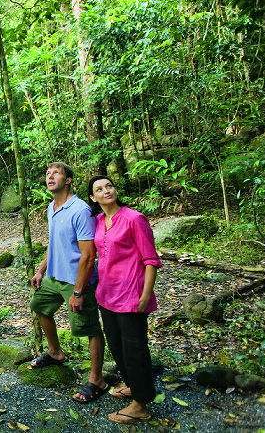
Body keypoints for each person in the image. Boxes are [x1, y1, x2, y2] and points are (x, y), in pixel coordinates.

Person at [29, 162, 108, 403]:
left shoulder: (80, 210)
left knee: (89, 328)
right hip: (54, 275)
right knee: (39, 306)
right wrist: (42, 269)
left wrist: (78, 291)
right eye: (47, 174)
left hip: (77, 280)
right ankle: (55, 352)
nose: (50, 177)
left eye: (56, 173)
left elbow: (88, 255)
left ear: (69, 179)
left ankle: (97, 380)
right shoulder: (52, 207)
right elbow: (54, 242)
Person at [87, 175, 161, 424]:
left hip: (131, 295)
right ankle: (133, 386)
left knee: (134, 350)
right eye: (99, 189)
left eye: (109, 186)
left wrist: (146, 294)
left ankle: (141, 404)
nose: (106, 190)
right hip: (106, 295)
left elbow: (150, 260)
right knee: (117, 347)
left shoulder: (134, 218)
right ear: (93, 197)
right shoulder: (97, 221)